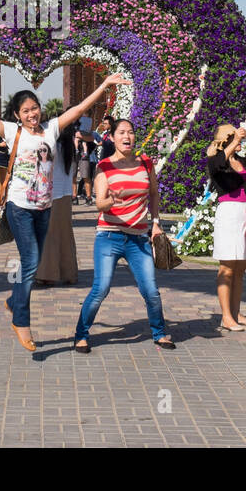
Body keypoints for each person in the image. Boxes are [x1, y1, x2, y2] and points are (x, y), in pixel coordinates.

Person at [0, 72, 130, 352]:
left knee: (29, 264)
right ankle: (21, 321)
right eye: (25, 111)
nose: (31, 114)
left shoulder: (51, 129)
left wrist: (104, 85)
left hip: (43, 209)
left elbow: (79, 109)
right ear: (17, 114)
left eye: (34, 108)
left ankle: (13, 302)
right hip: (19, 207)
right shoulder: (12, 131)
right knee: (31, 262)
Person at [73, 118, 175, 352]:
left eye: (130, 132)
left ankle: (159, 333)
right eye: (121, 132)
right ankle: (81, 334)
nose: (126, 136)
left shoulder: (145, 162)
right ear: (112, 137)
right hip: (109, 236)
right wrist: (112, 199)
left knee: (150, 290)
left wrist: (156, 223)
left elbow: (154, 195)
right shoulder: (104, 166)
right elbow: (100, 203)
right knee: (101, 289)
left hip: (138, 239)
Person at [206, 123, 246, 332]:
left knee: (241, 268)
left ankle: (236, 313)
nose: (237, 137)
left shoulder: (243, 162)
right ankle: (226, 316)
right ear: (222, 140)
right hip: (228, 214)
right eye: (231, 134)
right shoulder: (216, 160)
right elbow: (216, 167)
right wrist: (234, 142)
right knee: (227, 268)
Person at [35, 125, 80, 286]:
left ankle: (47, 273)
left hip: (51, 196)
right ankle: (69, 273)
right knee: (65, 235)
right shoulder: (71, 149)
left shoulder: (52, 149)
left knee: (49, 236)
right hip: (66, 196)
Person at [73, 122, 96, 205]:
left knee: (86, 176)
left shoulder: (83, 125)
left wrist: (81, 136)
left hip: (83, 155)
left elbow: (92, 138)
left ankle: (89, 197)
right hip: (71, 154)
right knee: (73, 176)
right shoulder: (66, 127)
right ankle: (74, 197)